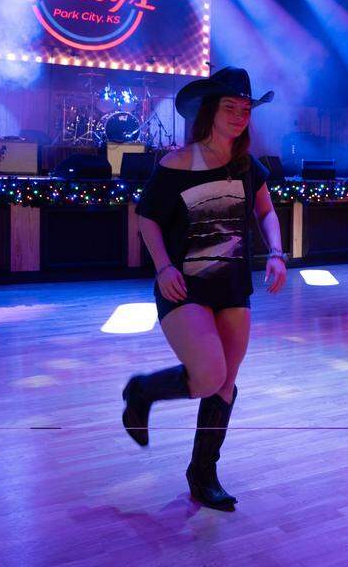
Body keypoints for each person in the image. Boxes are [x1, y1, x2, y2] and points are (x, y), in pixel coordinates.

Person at [121, 67, 287, 512]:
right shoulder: (178, 162)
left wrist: (277, 251)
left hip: (233, 287)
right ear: (210, 111)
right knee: (209, 374)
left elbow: (266, 211)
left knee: (225, 385)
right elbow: (147, 217)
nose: (238, 116)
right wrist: (162, 268)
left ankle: (203, 474)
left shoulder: (247, 164)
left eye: (245, 109)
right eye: (230, 107)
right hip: (184, 286)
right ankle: (143, 391)